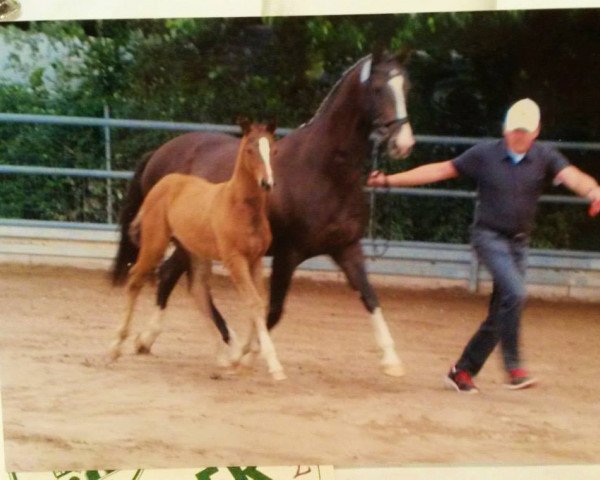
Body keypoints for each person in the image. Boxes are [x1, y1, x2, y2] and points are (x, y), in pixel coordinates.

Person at [367, 98, 600, 393]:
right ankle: (514, 367)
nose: (518, 135)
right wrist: (388, 180)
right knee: (515, 293)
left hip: (518, 243)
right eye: (514, 129)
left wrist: (594, 191)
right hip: (488, 237)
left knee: (502, 310)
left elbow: (573, 177)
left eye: (524, 131)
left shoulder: (545, 157)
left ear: (536, 131)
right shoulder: (484, 155)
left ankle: (462, 371)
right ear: (505, 129)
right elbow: (439, 171)